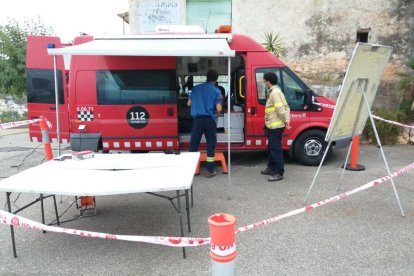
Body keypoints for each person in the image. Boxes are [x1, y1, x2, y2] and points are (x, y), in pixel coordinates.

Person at [187, 69, 222, 178]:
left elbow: (188, 104)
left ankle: (190, 170)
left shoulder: (195, 88)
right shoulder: (216, 91)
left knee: (193, 145)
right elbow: (219, 108)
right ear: (216, 79)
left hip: (197, 120)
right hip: (209, 120)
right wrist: (217, 112)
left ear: (206, 77)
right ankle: (210, 169)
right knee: (210, 145)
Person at [261, 72, 290, 182]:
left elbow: (280, 110)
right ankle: (271, 167)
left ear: (268, 81)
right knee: (271, 148)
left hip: (276, 126)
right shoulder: (273, 92)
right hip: (272, 125)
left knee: (275, 149)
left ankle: (278, 172)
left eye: (264, 81)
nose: (264, 83)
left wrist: (285, 121)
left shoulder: (275, 93)